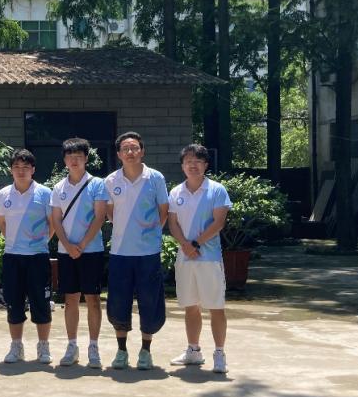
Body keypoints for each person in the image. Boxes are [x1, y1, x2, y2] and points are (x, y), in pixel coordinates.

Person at [104, 132, 169, 371]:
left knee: (150, 301)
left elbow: (163, 210)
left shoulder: (155, 178)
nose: (130, 152)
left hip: (148, 252)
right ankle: (121, 351)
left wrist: (149, 234)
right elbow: (110, 213)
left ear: (142, 151)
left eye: (134, 148)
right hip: (120, 252)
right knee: (118, 302)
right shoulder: (111, 180)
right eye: (125, 149)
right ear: (119, 154)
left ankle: (145, 351)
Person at [167, 144, 232, 374]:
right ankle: (193, 351)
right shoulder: (176, 192)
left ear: (205, 165)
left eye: (197, 161)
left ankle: (219, 353)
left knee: (216, 307)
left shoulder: (216, 190)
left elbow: (219, 223)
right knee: (190, 306)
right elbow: (172, 224)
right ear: (182, 166)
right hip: (185, 258)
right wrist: (185, 245)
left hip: (209, 258)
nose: (192, 165)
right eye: (188, 161)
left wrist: (195, 244)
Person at [50, 138, 108, 369]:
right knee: (70, 299)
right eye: (70, 157)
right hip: (66, 252)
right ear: (65, 160)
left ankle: (93, 347)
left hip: (91, 250)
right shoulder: (58, 188)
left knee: (93, 299)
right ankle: (72, 346)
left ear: (86, 158)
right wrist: (67, 244)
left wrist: (82, 244)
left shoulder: (97, 184)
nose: (74, 161)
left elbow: (100, 216)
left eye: (79, 156)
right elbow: (56, 219)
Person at [0, 149, 55, 364]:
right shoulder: (3, 195)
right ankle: (16, 347)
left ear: (33, 169)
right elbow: (2, 224)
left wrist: (39, 243)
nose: (21, 171)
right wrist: (16, 242)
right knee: (14, 303)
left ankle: (43, 347)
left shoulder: (45, 193)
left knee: (41, 302)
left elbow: (52, 224)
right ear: (11, 170)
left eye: (25, 167)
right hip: (12, 257)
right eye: (17, 167)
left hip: (38, 257)